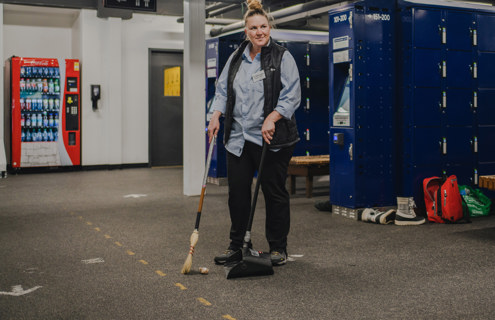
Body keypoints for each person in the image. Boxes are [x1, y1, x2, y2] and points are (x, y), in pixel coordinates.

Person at [207, 0, 301, 266]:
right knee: (237, 193)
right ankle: (237, 245)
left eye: (263, 26)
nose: (260, 32)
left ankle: (278, 248)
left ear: (269, 27)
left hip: (270, 138)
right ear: (245, 31)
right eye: (254, 28)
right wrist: (215, 115)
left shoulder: (282, 56)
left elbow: (292, 94)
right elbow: (223, 90)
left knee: (274, 192)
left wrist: (273, 117)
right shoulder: (236, 57)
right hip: (238, 138)